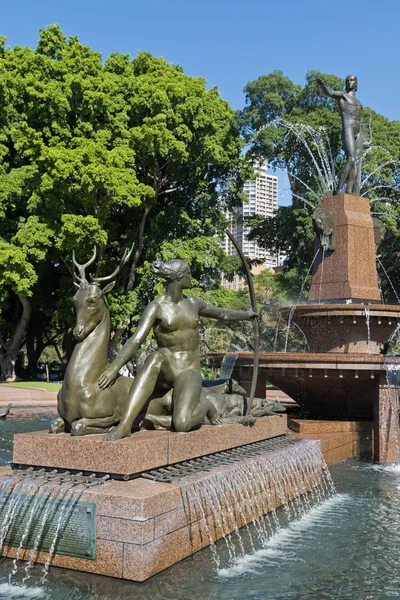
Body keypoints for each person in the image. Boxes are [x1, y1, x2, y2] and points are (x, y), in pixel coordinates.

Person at [98, 259, 257, 440]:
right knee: (155, 357)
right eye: (188, 274)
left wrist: (248, 315)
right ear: (179, 278)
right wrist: (114, 368)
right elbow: (135, 341)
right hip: (166, 368)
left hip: (188, 370)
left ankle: (205, 406)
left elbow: (223, 313)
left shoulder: (194, 304)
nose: (192, 278)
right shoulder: (156, 307)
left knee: (182, 424)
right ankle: (125, 426)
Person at [316, 74, 364, 195]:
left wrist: (365, 140)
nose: (349, 82)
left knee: (356, 162)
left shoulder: (358, 102)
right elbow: (330, 92)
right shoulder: (343, 96)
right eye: (347, 81)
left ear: (356, 83)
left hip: (358, 132)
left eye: (352, 80)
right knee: (351, 158)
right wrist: (322, 85)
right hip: (348, 128)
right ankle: (338, 190)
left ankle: (349, 190)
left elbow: (359, 120)